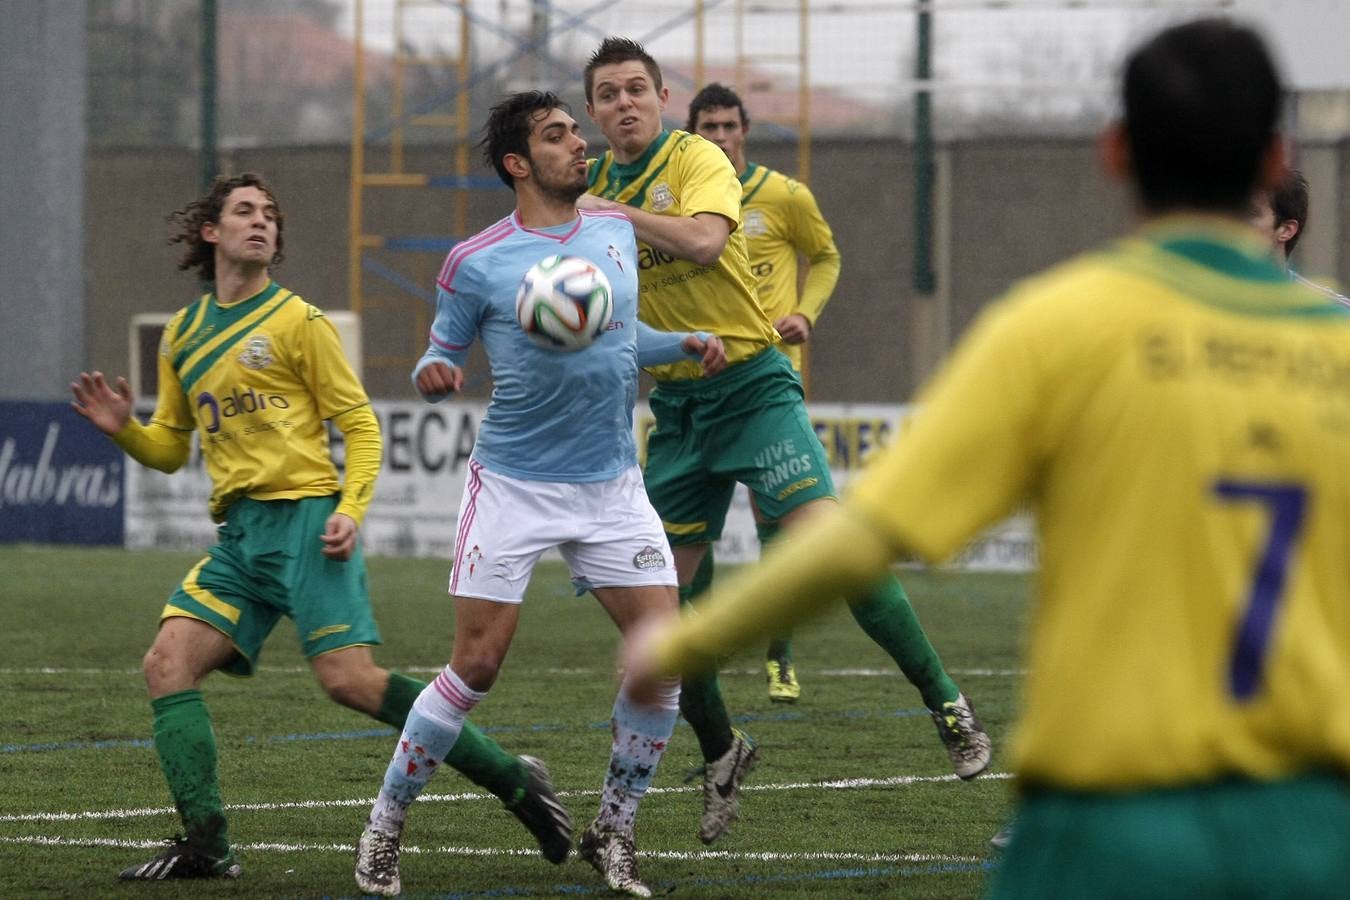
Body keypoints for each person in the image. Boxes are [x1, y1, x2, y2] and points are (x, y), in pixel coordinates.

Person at [626, 18, 1350, 898]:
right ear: (1276, 158)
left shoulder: (1057, 327)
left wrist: (686, 640)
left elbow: (866, 537)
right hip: (1316, 824)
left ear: (1115, 151)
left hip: (1104, 822)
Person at [71, 173, 564, 882]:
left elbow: (360, 425)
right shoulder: (182, 335)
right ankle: (208, 846)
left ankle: (515, 781)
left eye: (270, 213)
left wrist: (349, 509)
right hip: (240, 539)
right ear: (211, 232)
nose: (261, 221)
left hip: (306, 524)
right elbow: (172, 451)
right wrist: (125, 430)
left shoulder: (298, 321)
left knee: (350, 682)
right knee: (165, 665)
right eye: (244, 211)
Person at [578, 36, 992, 845]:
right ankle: (723, 749)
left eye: (636, 88)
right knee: (660, 616)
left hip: (757, 386)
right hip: (679, 412)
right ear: (592, 111)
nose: (623, 103)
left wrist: (614, 216)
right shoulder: (592, 186)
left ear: (662, 99)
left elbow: (701, 241)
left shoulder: (697, 158)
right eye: (606, 94)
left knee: (832, 552)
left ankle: (946, 700)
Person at [353, 92, 726, 899]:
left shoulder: (615, 231)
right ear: (518, 163)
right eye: (557, 136)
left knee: (663, 660)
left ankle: (615, 831)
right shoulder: (476, 260)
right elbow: (436, 355)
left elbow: (619, 336)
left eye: (576, 132)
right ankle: (385, 824)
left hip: (611, 485)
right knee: (477, 665)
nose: (579, 144)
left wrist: (684, 344)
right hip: (515, 485)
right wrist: (435, 375)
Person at [1248, 167, 1350, 306]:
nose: (1231, 223)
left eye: (1250, 214)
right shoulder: (1210, 303)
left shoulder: (1331, 313)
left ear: (1286, 230)